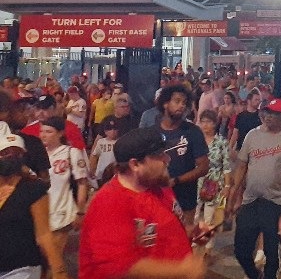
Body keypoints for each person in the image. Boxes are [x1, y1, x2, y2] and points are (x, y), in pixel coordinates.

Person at [78, 128, 211, 279]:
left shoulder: (159, 186)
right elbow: (120, 267)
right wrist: (181, 270)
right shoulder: (109, 203)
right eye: (159, 155)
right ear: (135, 164)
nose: (167, 159)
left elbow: (159, 232)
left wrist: (191, 232)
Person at [226, 98, 281, 279]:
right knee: (241, 250)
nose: (269, 116)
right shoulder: (252, 135)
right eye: (267, 112)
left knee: (271, 252)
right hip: (250, 199)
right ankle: (254, 275)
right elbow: (241, 167)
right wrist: (233, 196)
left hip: (274, 202)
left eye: (274, 113)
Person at [0, 125, 67, 279]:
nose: (10, 157)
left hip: (21, 268)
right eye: (5, 153)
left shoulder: (33, 189)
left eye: (16, 153)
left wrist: (59, 271)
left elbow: (44, 234)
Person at [154, 85, 209, 225]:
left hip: (185, 198)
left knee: (184, 234)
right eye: (177, 101)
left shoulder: (193, 131)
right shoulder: (152, 132)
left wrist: (177, 180)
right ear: (165, 103)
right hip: (157, 196)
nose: (181, 106)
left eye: (184, 102)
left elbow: (203, 167)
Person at [39, 116, 89, 268]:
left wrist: (80, 211)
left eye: (48, 131)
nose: (43, 135)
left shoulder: (71, 153)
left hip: (62, 212)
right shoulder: (38, 154)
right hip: (41, 213)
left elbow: (82, 183)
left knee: (53, 259)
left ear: (60, 133)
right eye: (42, 131)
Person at [194, 110, 231, 253]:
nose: (205, 125)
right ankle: (194, 240)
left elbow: (226, 165)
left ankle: (208, 247)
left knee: (209, 216)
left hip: (213, 182)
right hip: (196, 180)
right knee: (194, 213)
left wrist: (227, 186)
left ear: (215, 123)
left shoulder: (221, 142)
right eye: (202, 121)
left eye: (208, 122)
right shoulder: (196, 139)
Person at [89, 118, 120, 187]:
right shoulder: (101, 142)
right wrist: (92, 169)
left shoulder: (120, 142)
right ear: (105, 131)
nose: (112, 131)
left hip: (115, 173)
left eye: (115, 129)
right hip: (101, 173)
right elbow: (95, 156)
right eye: (110, 129)